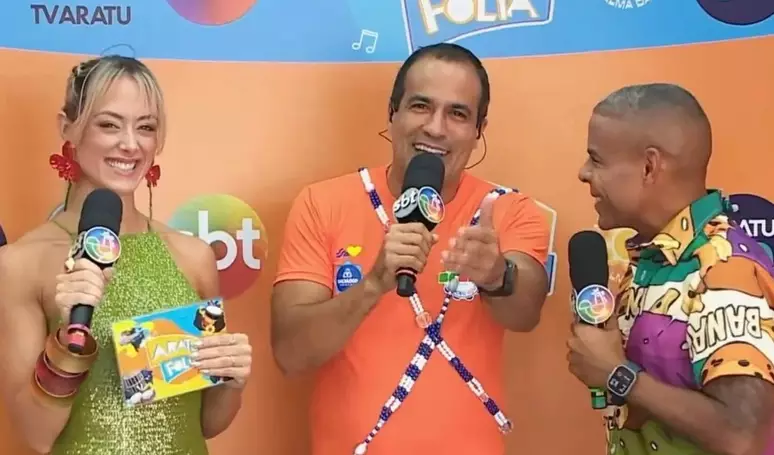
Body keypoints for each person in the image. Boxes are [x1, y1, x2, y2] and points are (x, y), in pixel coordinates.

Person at [271, 43, 551, 455]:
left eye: (458, 114)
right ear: (393, 112)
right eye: (421, 106)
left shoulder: (506, 209)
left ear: (479, 129)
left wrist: (496, 276)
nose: (435, 128)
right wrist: (373, 285)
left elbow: (526, 313)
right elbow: (291, 354)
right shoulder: (321, 203)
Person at [0, 55, 253, 454]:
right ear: (68, 127)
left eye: (146, 127)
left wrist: (231, 381)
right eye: (109, 124)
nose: (131, 144)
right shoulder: (21, 264)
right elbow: (36, 435)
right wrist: (67, 341)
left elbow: (206, 422)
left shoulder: (193, 256)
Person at [568, 83, 774, 455]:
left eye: (596, 160)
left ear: (649, 167)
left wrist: (617, 374)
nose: (583, 173)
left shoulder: (723, 268)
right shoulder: (649, 261)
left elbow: (744, 437)